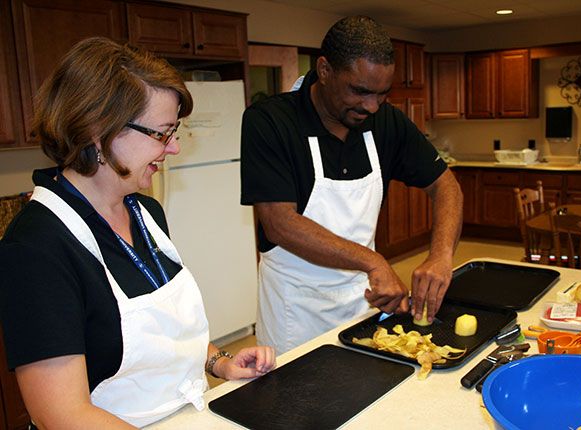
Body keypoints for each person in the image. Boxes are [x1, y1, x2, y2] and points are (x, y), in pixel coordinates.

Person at [0, 37, 275, 429]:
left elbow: (160, 331)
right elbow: (59, 415)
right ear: (99, 129)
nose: (175, 147)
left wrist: (217, 360)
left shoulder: (146, 212)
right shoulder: (38, 246)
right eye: (162, 133)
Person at [241, 16, 463, 355]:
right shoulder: (270, 122)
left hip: (364, 304)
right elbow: (280, 223)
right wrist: (374, 262)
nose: (371, 106)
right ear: (325, 70)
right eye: (359, 91)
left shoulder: (386, 121)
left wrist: (441, 255)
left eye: (381, 94)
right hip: (296, 313)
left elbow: (446, 186)